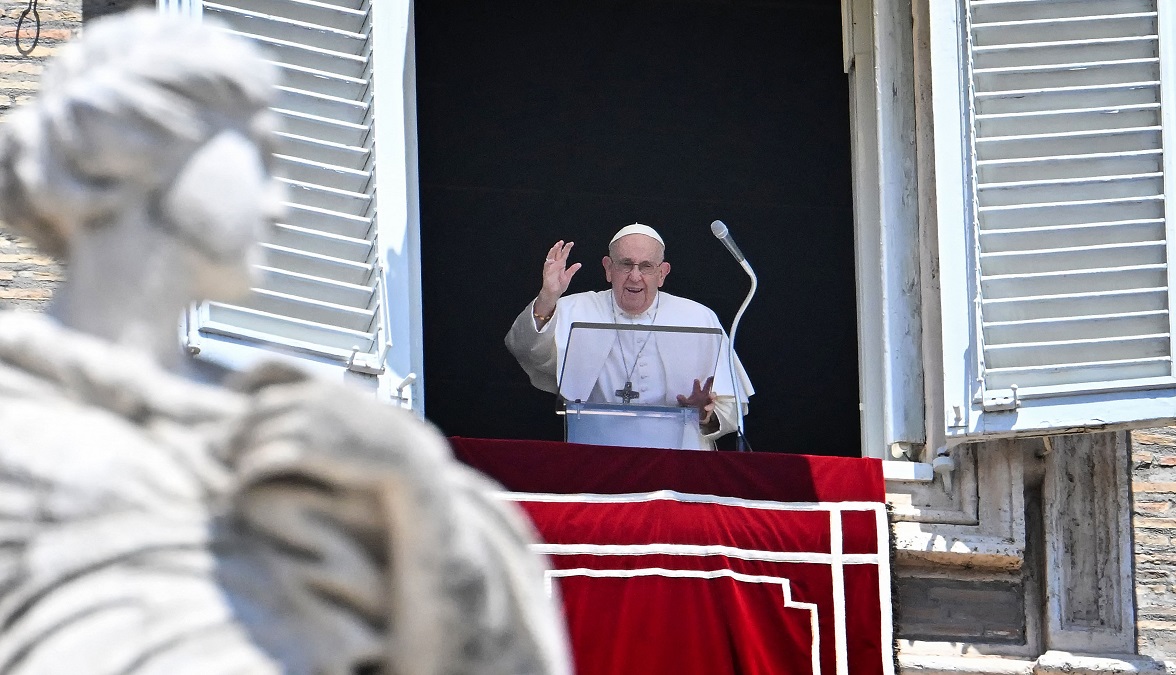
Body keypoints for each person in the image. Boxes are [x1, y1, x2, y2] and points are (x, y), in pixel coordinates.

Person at [0, 12, 570, 675]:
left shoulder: (317, 439)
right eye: (259, 154)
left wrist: (414, 491)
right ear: (134, 151)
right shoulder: (22, 421)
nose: (280, 203)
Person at [505, 223, 753, 449]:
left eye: (646, 266)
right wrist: (548, 296)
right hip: (595, 458)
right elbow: (526, 350)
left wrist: (704, 413)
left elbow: (731, 407)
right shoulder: (575, 309)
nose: (635, 276)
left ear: (662, 273)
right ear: (608, 269)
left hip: (678, 461)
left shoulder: (698, 317)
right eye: (626, 264)